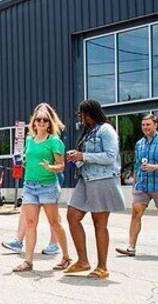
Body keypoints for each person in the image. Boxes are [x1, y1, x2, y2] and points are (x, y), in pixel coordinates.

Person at [62, 99, 125, 279]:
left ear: (89, 113)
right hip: (86, 178)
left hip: (103, 179)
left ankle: (102, 267)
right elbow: (89, 157)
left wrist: (84, 155)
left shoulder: (106, 130)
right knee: (72, 216)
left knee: (99, 223)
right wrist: (77, 158)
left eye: (81, 114)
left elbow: (110, 157)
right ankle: (83, 261)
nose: (80, 118)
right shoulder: (89, 132)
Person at [12, 103, 71, 272]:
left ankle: (66, 256)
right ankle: (28, 261)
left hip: (47, 186)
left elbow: (61, 166)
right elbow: (27, 158)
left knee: (54, 222)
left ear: (50, 122)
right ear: (34, 122)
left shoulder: (54, 142)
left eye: (45, 120)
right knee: (31, 223)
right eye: (38, 119)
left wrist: (50, 167)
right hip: (30, 186)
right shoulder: (29, 140)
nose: (41, 122)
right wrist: (21, 161)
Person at [116, 113, 158, 257]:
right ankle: (131, 247)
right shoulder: (139, 144)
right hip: (142, 185)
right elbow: (137, 165)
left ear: (155, 125)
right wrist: (134, 184)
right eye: (143, 125)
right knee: (136, 213)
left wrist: (155, 167)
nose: (145, 127)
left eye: (148, 124)